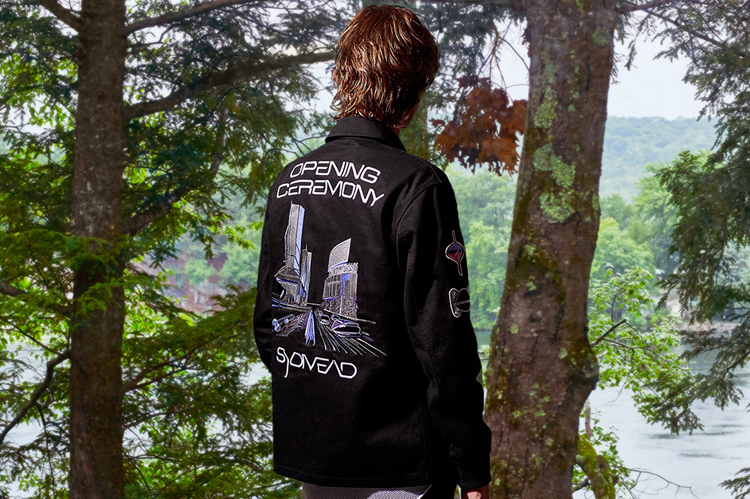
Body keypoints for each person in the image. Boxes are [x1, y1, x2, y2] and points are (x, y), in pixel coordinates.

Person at [253, 5, 491, 499]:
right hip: (401, 468)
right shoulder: (416, 186)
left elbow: (268, 323)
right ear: (413, 89)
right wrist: (471, 464)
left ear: (343, 76)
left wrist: (322, 404)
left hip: (316, 463)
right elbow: (443, 344)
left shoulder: (289, 181)